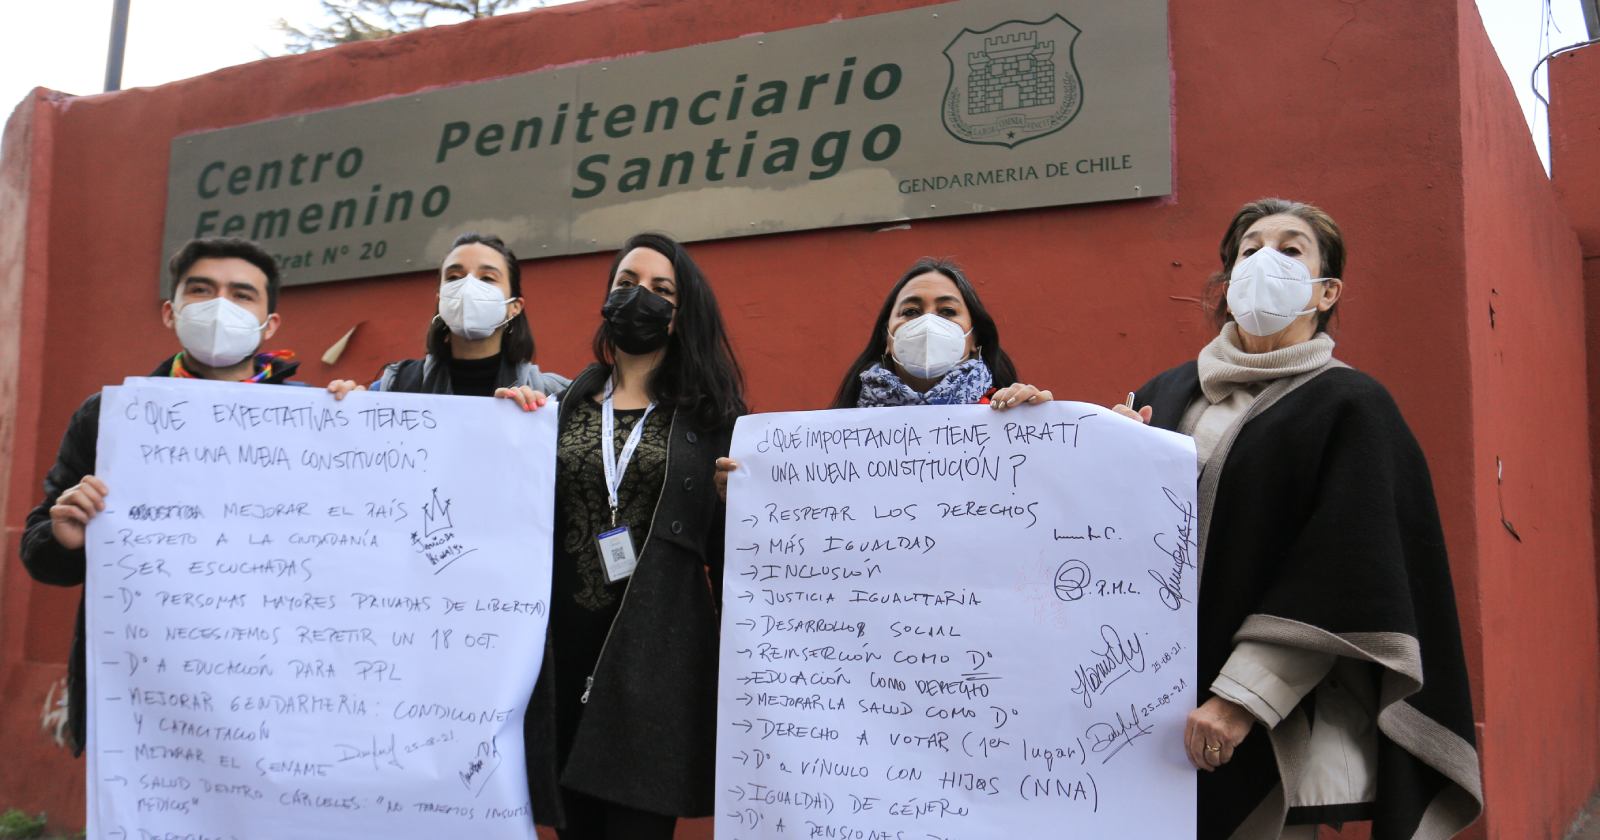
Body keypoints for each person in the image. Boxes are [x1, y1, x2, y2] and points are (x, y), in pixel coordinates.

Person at [1118, 199, 1482, 839]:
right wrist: (1099, 455)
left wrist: (1240, 701)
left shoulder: (1351, 405)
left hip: (1262, 718)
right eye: (1249, 249)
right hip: (1136, 707)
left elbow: (1344, 570)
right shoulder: (1163, 394)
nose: (1265, 261)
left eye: (1290, 249)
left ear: (1325, 290)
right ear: (1228, 285)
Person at [18, 236, 304, 757]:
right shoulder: (108, 417)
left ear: (270, 324)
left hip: (275, 693)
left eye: (242, 295)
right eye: (202, 290)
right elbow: (41, 554)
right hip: (147, 699)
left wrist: (356, 420)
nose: (220, 306)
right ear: (172, 312)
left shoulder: (313, 422)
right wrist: (66, 537)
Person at [522, 232, 745, 839]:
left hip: (656, 667)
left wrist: (736, 503)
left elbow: (733, 558)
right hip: (564, 656)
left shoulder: (711, 419)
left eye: (660, 289)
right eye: (626, 283)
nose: (639, 297)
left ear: (679, 315)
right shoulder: (561, 405)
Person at [714, 256, 1052, 499]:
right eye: (911, 312)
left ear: (975, 338)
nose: (928, 323)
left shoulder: (1009, 420)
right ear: (888, 340)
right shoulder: (831, 441)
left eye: (947, 311)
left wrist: (1044, 436)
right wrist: (748, 496)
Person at [326, 232, 568, 402]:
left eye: (487, 278)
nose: (467, 286)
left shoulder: (553, 394)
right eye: (453, 277)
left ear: (514, 306)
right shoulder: (396, 387)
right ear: (440, 299)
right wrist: (348, 407)